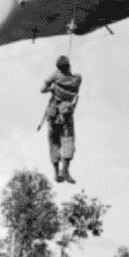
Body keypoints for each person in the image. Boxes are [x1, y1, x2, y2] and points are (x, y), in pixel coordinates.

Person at [40, 55, 82, 184]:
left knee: (54, 142)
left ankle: (57, 172)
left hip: (53, 114)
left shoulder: (55, 76)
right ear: (68, 65)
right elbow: (73, 90)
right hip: (66, 115)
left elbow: (42, 90)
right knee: (68, 140)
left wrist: (52, 87)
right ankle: (65, 170)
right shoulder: (77, 78)